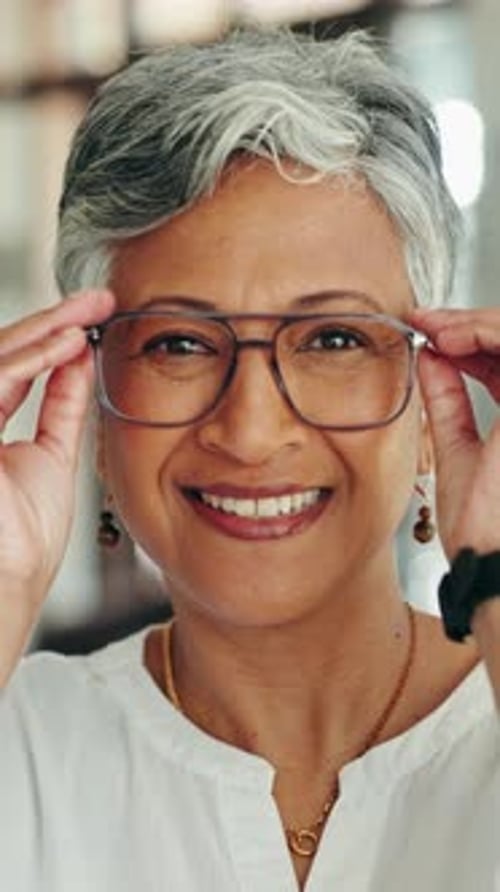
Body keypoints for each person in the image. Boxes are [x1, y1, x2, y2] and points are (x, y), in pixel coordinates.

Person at [0, 26, 499, 892]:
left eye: (335, 337)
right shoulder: (28, 741)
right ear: (92, 398)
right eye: (180, 345)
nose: (252, 429)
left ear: (432, 391)